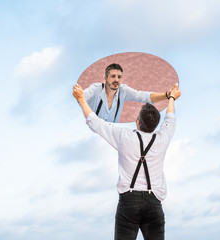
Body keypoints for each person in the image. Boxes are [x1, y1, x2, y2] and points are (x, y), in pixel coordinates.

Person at [73, 82, 181, 240]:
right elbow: (170, 118)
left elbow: (96, 123)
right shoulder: (163, 138)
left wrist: (81, 99)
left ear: (138, 122)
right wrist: (171, 97)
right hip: (154, 203)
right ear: (156, 124)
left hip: (128, 202)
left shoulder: (124, 137)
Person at [83, 63, 177, 122]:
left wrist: (167, 95)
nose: (116, 80)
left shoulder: (123, 91)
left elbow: (144, 96)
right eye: (113, 76)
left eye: (119, 77)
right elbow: (80, 97)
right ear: (105, 78)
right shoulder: (95, 89)